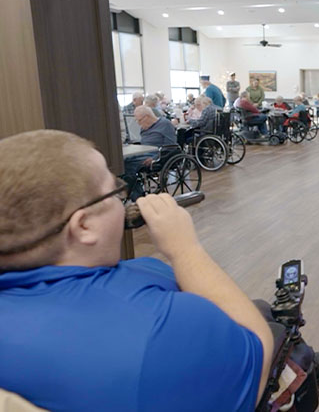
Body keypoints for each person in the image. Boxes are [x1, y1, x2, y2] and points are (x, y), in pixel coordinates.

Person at [0, 130, 274, 411]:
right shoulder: (159, 330)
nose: (124, 200)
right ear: (83, 226)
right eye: (116, 191)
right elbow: (259, 351)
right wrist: (185, 249)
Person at [123, 106, 177, 200]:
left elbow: (171, 146)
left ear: (147, 117)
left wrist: (155, 158)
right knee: (123, 162)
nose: (138, 123)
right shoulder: (144, 128)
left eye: (139, 120)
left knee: (129, 166)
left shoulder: (165, 124)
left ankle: (136, 197)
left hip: (157, 154)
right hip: (143, 152)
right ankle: (134, 192)